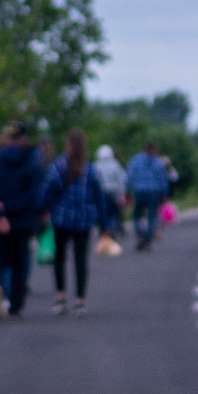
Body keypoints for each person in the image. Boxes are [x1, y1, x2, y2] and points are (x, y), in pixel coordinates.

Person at [0, 124, 52, 316]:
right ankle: (15, 306)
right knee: (20, 264)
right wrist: (13, 208)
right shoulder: (31, 164)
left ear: (6, 139)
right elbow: (34, 194)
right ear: (23, 139)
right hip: (22, 221)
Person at [47, 129, 114, 315]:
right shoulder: (90, 169)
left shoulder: (58, 166)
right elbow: (100, 198)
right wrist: (104, 225)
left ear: (67, 145)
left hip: (61, 218)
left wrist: (41, 211)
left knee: (59, 258)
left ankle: (60, 297)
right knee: (81, 260)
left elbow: (47, 190)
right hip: (84, 220)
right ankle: (80, 300)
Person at [125, 141, 173, 249]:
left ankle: (141, 236)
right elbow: (163, 180)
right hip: (154, 192)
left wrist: (127, 191)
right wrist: (165, 195)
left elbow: (129, 176)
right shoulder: (158, 162)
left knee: (137, 216)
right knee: (152, 217)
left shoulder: (136, 160)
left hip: (139, 191)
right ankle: (147, 239)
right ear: (154, 150)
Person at [92, 144, 129, 245]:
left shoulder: (96, 166)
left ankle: (104, 232)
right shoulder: (115, 165)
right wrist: (122, 194)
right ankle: (112, 231)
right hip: (114, 193)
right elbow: (122, 180)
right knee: (114, 214)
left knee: (103, 214)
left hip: (101, 194)